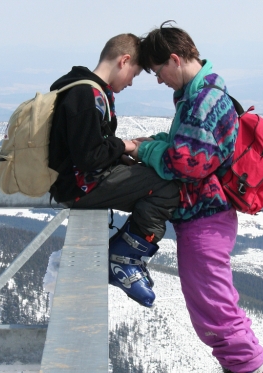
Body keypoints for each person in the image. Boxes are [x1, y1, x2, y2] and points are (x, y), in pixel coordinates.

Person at [131, 22, 263, 373]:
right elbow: (187, 147)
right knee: (210, 308)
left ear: (175, 60)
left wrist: (143, 148)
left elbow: (188, 162)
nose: (157, 79)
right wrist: (157, 142)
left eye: (158, 70)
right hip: (203, 215)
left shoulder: (204, 99)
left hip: (206, 217)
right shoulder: (198, 95)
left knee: (217, 310)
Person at [48, 33, 180, 308]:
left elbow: (88, 149)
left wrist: (124, 157)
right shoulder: (86, 95)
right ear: (124, 60)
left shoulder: (84, 89)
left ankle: (126, 253)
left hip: (80, 183)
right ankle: (124, 259)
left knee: (152, 178)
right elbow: (88, 157)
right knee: (168, 186)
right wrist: (125, 145)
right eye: (133, 74)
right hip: (81, 187)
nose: (130, 82)